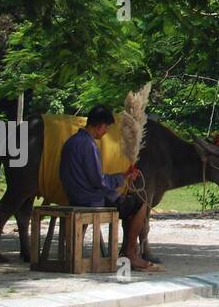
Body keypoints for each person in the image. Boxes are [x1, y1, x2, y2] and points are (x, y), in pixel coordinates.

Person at [59, 104, 154, 271]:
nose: (105, 132)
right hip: (90, 199)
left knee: (128, 202)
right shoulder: (89, 145)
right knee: (140, 204)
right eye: (106, 128)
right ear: (100, 126)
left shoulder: (71, 142)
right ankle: (130, 253)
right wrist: (120, 180)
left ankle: (129, 251)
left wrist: (122, 176)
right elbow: (98, 182)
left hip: (75, 195)